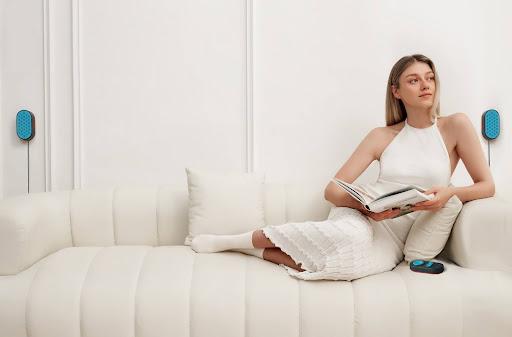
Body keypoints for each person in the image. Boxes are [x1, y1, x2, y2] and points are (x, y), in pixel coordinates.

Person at [190, 54, 495, 281]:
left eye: (429, 78)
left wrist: (448, 194)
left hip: (397, 236)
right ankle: (229, 240)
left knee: (347, 267)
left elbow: (486, 186)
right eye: (413, 80)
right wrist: (367, 209)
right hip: (363, 217)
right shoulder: (381, 136)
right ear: (397, 92)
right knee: (352, 239)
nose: (425, 85)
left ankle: (249, 249)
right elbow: (333, 190)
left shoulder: (455, 126)